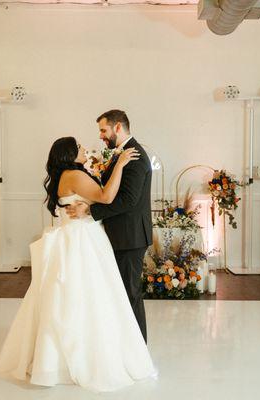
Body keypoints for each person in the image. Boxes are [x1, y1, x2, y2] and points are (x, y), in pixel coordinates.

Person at [0, 136, 156, 392]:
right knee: (88, 296)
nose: (85, 149)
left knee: (71, 296)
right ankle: (87, 355)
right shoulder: (73, 175)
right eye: (79, 148)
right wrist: (120, 165)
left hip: (76, 237)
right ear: (69, 155)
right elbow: (105, 196)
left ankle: (57, 355)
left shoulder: (69, 175)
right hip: (82, 240)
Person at [66, 109, 152, 343]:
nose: (101, 135)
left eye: (103, 130)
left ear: (117, 127)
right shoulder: (121, 154)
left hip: (130, 237)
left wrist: (90, 210)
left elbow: (128, 200)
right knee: (120, 292)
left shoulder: (134, 156)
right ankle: (124, 345)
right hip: (122, 235)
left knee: (129, 294)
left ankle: (137, 348)